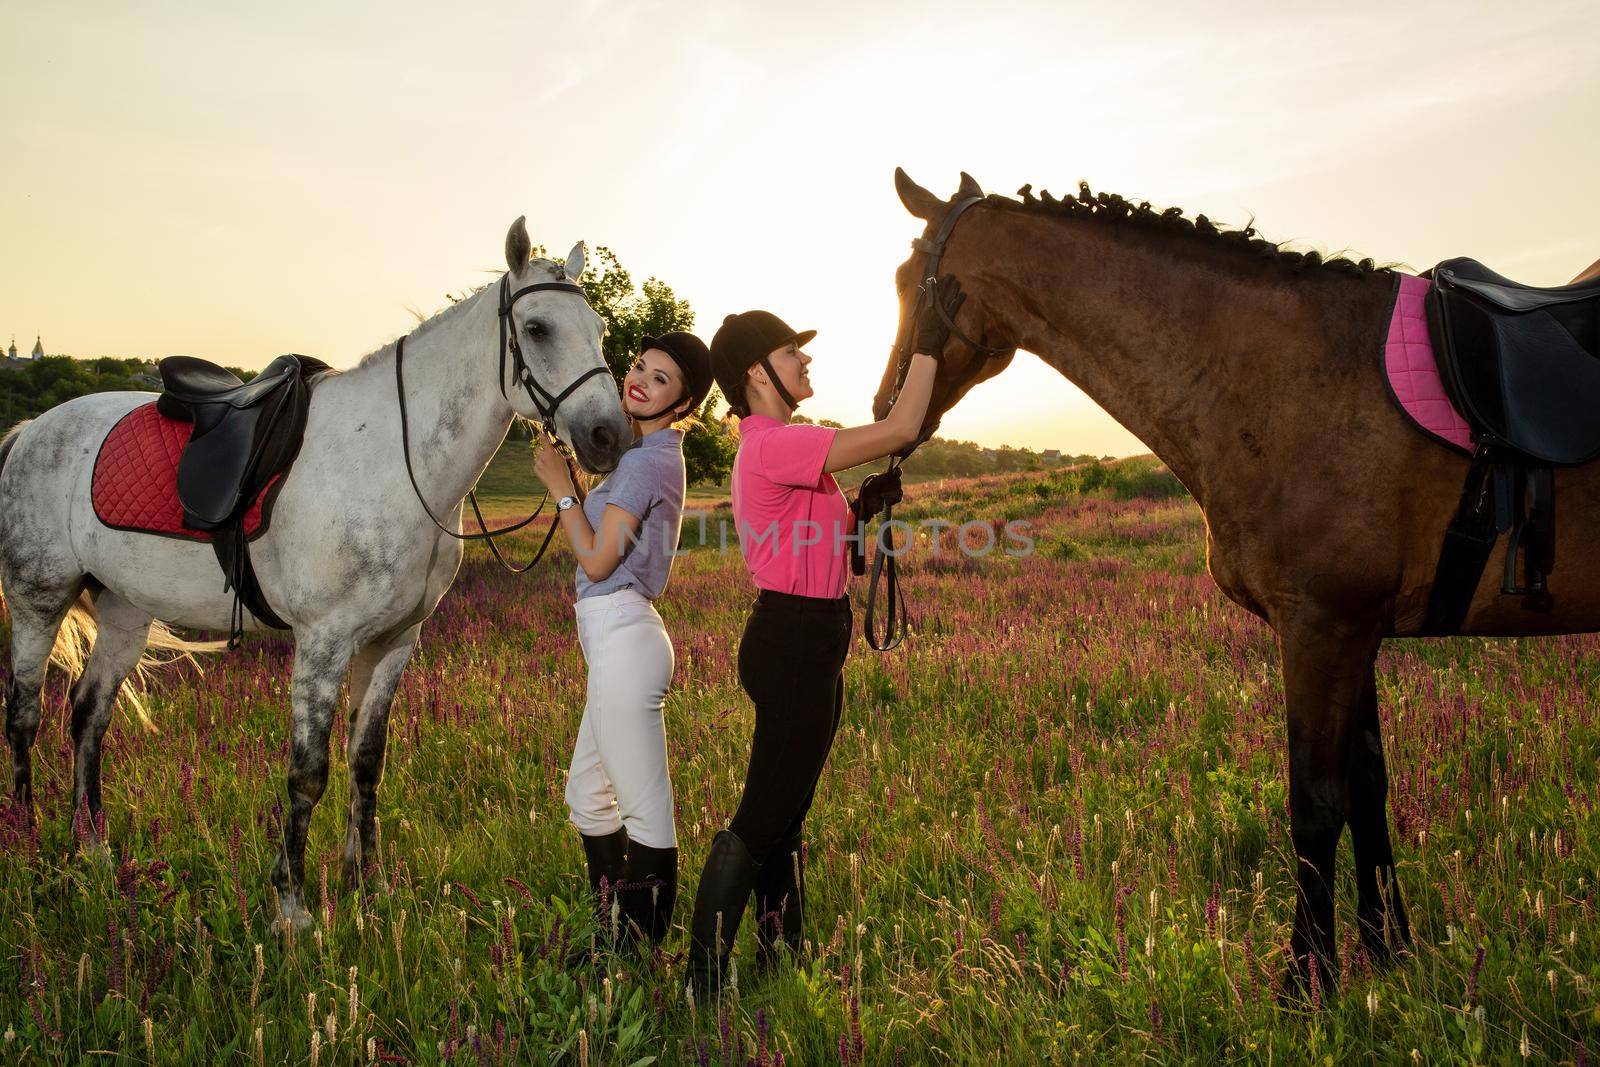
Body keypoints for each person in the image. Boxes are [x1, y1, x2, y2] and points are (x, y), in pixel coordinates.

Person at [686, 275, 966, 993]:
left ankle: (780, 958)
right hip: (794, 642)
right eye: (792, 352)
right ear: (757, 372)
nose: (806, 362)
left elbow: (817, 544)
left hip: (806, 637)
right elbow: (902, 428)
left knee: (787, 811)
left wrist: (862, 508)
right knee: (762, 817)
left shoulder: (777, 449)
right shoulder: (776, 444)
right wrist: (927, 340)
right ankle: (702, 984)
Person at [531, 331, 712, 948]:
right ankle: (614, 936)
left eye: (661, 378)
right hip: (617, 639)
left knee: (645, 811)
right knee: (587, 792)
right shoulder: (651, 457)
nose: (639, 379)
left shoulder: (645, 462)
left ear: (683, 404)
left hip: (623, 634)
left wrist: (560, 489)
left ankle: (641, 955)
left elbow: (598, 559)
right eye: (638, 366)